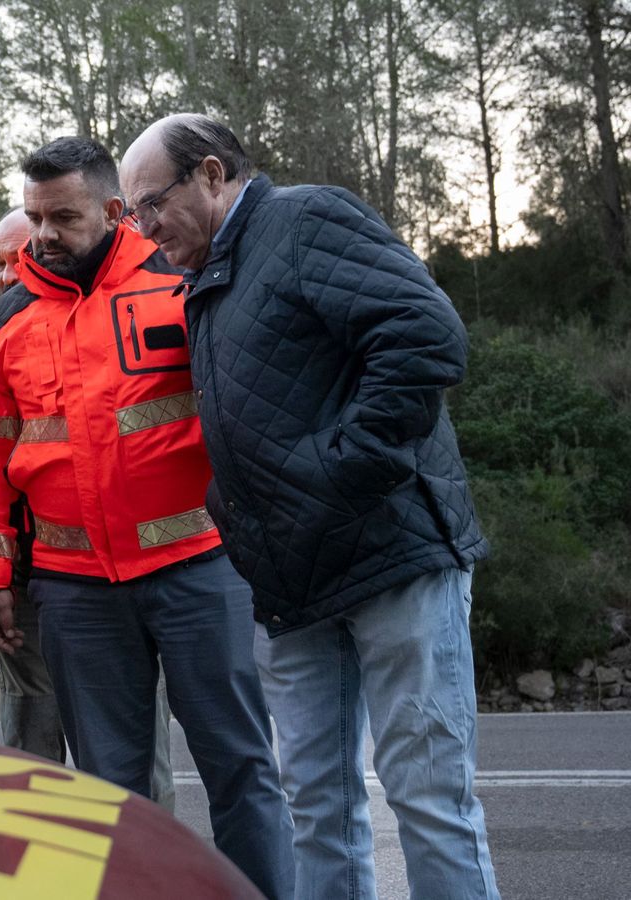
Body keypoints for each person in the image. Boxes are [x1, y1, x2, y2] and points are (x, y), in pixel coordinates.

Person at [119, 114, 498, 900]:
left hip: (390, 554)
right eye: (133, 215)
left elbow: (424, 336)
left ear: (213, 175)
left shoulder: (305, 218)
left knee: (430, 802)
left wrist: (341, 472)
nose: (145, 230)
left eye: (152, 205)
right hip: (293, 585)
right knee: (317, 808)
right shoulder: (205, 281)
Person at [0, 136, 293, 898]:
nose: (43, 234)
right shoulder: (5, 319)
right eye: (35, 216)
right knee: (109, 793)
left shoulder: (184, 279)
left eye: (63, 217)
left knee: (241, 766)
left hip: (203, 568)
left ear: (114, 210)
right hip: (75, 591)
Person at [0, 207, 175, 814]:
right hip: (28, 582)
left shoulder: (137, 301)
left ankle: (141, 872)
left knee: (132, 759)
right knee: (29, 762)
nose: (9, 274)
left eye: (18, 257)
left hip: (116, 582)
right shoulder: (0, 327)